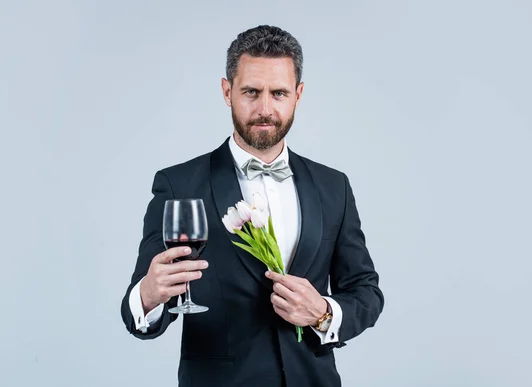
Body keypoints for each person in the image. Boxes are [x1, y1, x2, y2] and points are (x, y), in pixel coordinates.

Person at [120, 24, 384, 387]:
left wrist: (324, 313)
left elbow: (365, 290)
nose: (265, 108)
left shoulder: (333, 186)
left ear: (298, 95)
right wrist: (148, 296)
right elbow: (141, 310)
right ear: (227, 92)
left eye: (278, 93)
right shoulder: (177, 184)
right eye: (251, 92)